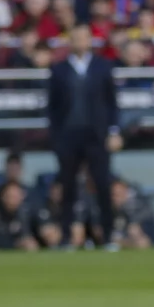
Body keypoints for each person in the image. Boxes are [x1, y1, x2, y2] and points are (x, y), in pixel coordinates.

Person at [47, 23, 121, 248]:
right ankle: (67, 238)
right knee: (68, 189)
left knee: (102, 185)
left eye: (83, 37)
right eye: (75, 37)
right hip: (69, 136)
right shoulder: (59, 70)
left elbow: (112, 103)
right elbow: (52, 108)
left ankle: (108, 236)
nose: (80, 42)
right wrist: (56, 137)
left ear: (90, 40)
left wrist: (114, 130)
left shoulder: (103, 67)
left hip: (96, 136)